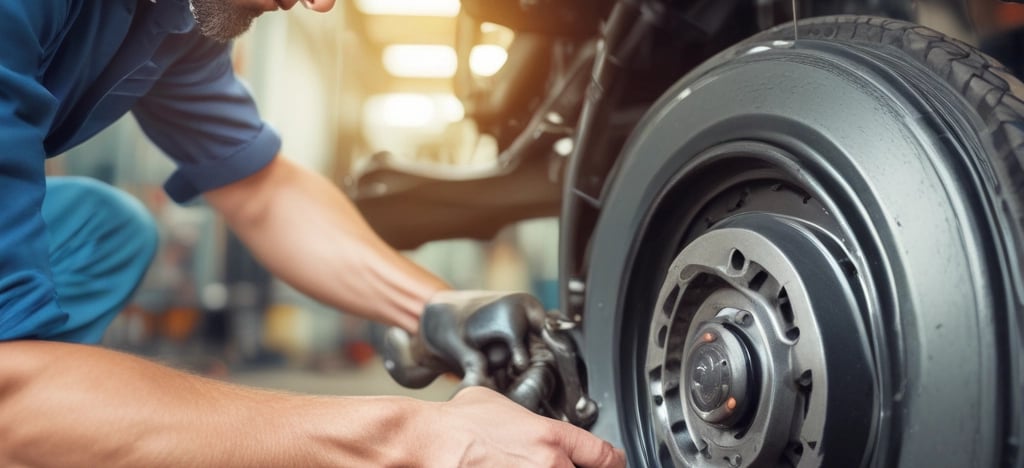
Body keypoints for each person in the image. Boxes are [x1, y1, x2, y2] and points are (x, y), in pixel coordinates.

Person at [0, 0, 626, 466]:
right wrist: (412, 440)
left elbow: (259, 188)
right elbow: (10, 391)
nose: (323, 3)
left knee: (107, 232)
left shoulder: (181, 21)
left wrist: (438, 307)